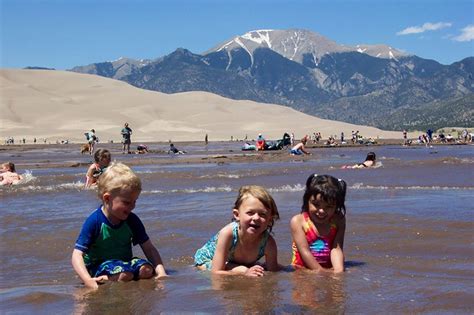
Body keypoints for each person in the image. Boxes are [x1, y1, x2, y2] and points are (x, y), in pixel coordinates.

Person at [72, 162, 167, 289]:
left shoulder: (132, 220)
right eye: (127, 202)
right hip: (98, 266)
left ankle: (120, 276)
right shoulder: (94, 221)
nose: (132, 206)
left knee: (147, 269)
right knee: (124, 274)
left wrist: (161, 271)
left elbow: (149, 248)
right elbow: (77, 255)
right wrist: (87, 280)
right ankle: (105, 278)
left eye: (135, 201)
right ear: (107, 199)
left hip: (124, 263)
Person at [194, 185, 280, 276]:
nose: (256, 218)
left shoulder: (268, 243)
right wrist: (244, 273)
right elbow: (216, 272)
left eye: (262, 214)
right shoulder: (228, 234)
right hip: (207, 261)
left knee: (258, 268)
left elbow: (273, 271)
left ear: (270, 219)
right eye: (250, 213)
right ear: (237, 214)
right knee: (242, 268)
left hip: (235, 263)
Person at [290, 174, 346, 273]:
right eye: (316, 204)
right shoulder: (298, 221)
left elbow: (336, 248)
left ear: (336, 206)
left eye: (328, 207)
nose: (321, 211)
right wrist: (321, 271)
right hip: (302, 270)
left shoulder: (338, 220)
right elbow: (304, 251)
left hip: (328, 268)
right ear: (307, 201)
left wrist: (338, 271)